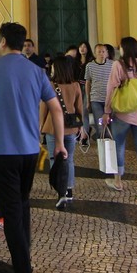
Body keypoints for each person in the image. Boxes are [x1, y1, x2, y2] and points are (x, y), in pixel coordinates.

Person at [0, 22, 65, 273]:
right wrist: (59, 143)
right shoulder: (37, 70)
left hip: (3, 151)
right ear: (23, 43)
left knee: (11, 213)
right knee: (22, 205)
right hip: (30, 152)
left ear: (1, 41)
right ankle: (24, 262)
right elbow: (56, 109)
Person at [101, 37, 137, 199]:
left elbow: (111, 88)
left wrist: (107, 111)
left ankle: (117, 181)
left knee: (118, 146)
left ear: (124, 49)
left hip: (123, 114)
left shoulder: (120, 64)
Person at [42, 55, 85, 209]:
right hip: (71, 127)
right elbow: (80, 108)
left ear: (57, 68)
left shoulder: (50, 85)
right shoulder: (75, 86)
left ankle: (60, 191)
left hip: (53, 127)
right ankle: (69, 189)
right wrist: (81, 126)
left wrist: (40, 126)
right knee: (70, 159)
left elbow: (44, 108)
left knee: (55, 159)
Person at [84, 43, 115, 139]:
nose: (101, 54)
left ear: (107, 53)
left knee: (110, 122)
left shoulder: (112, 64)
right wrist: (88, 100)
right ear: (95, 53)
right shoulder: (90, 66)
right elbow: (88, 83)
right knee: (100, 122)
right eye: (99, 52)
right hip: (96, 99)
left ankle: (104, 139)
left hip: (110, 99)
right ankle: (102, 141)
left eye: (103, 51)